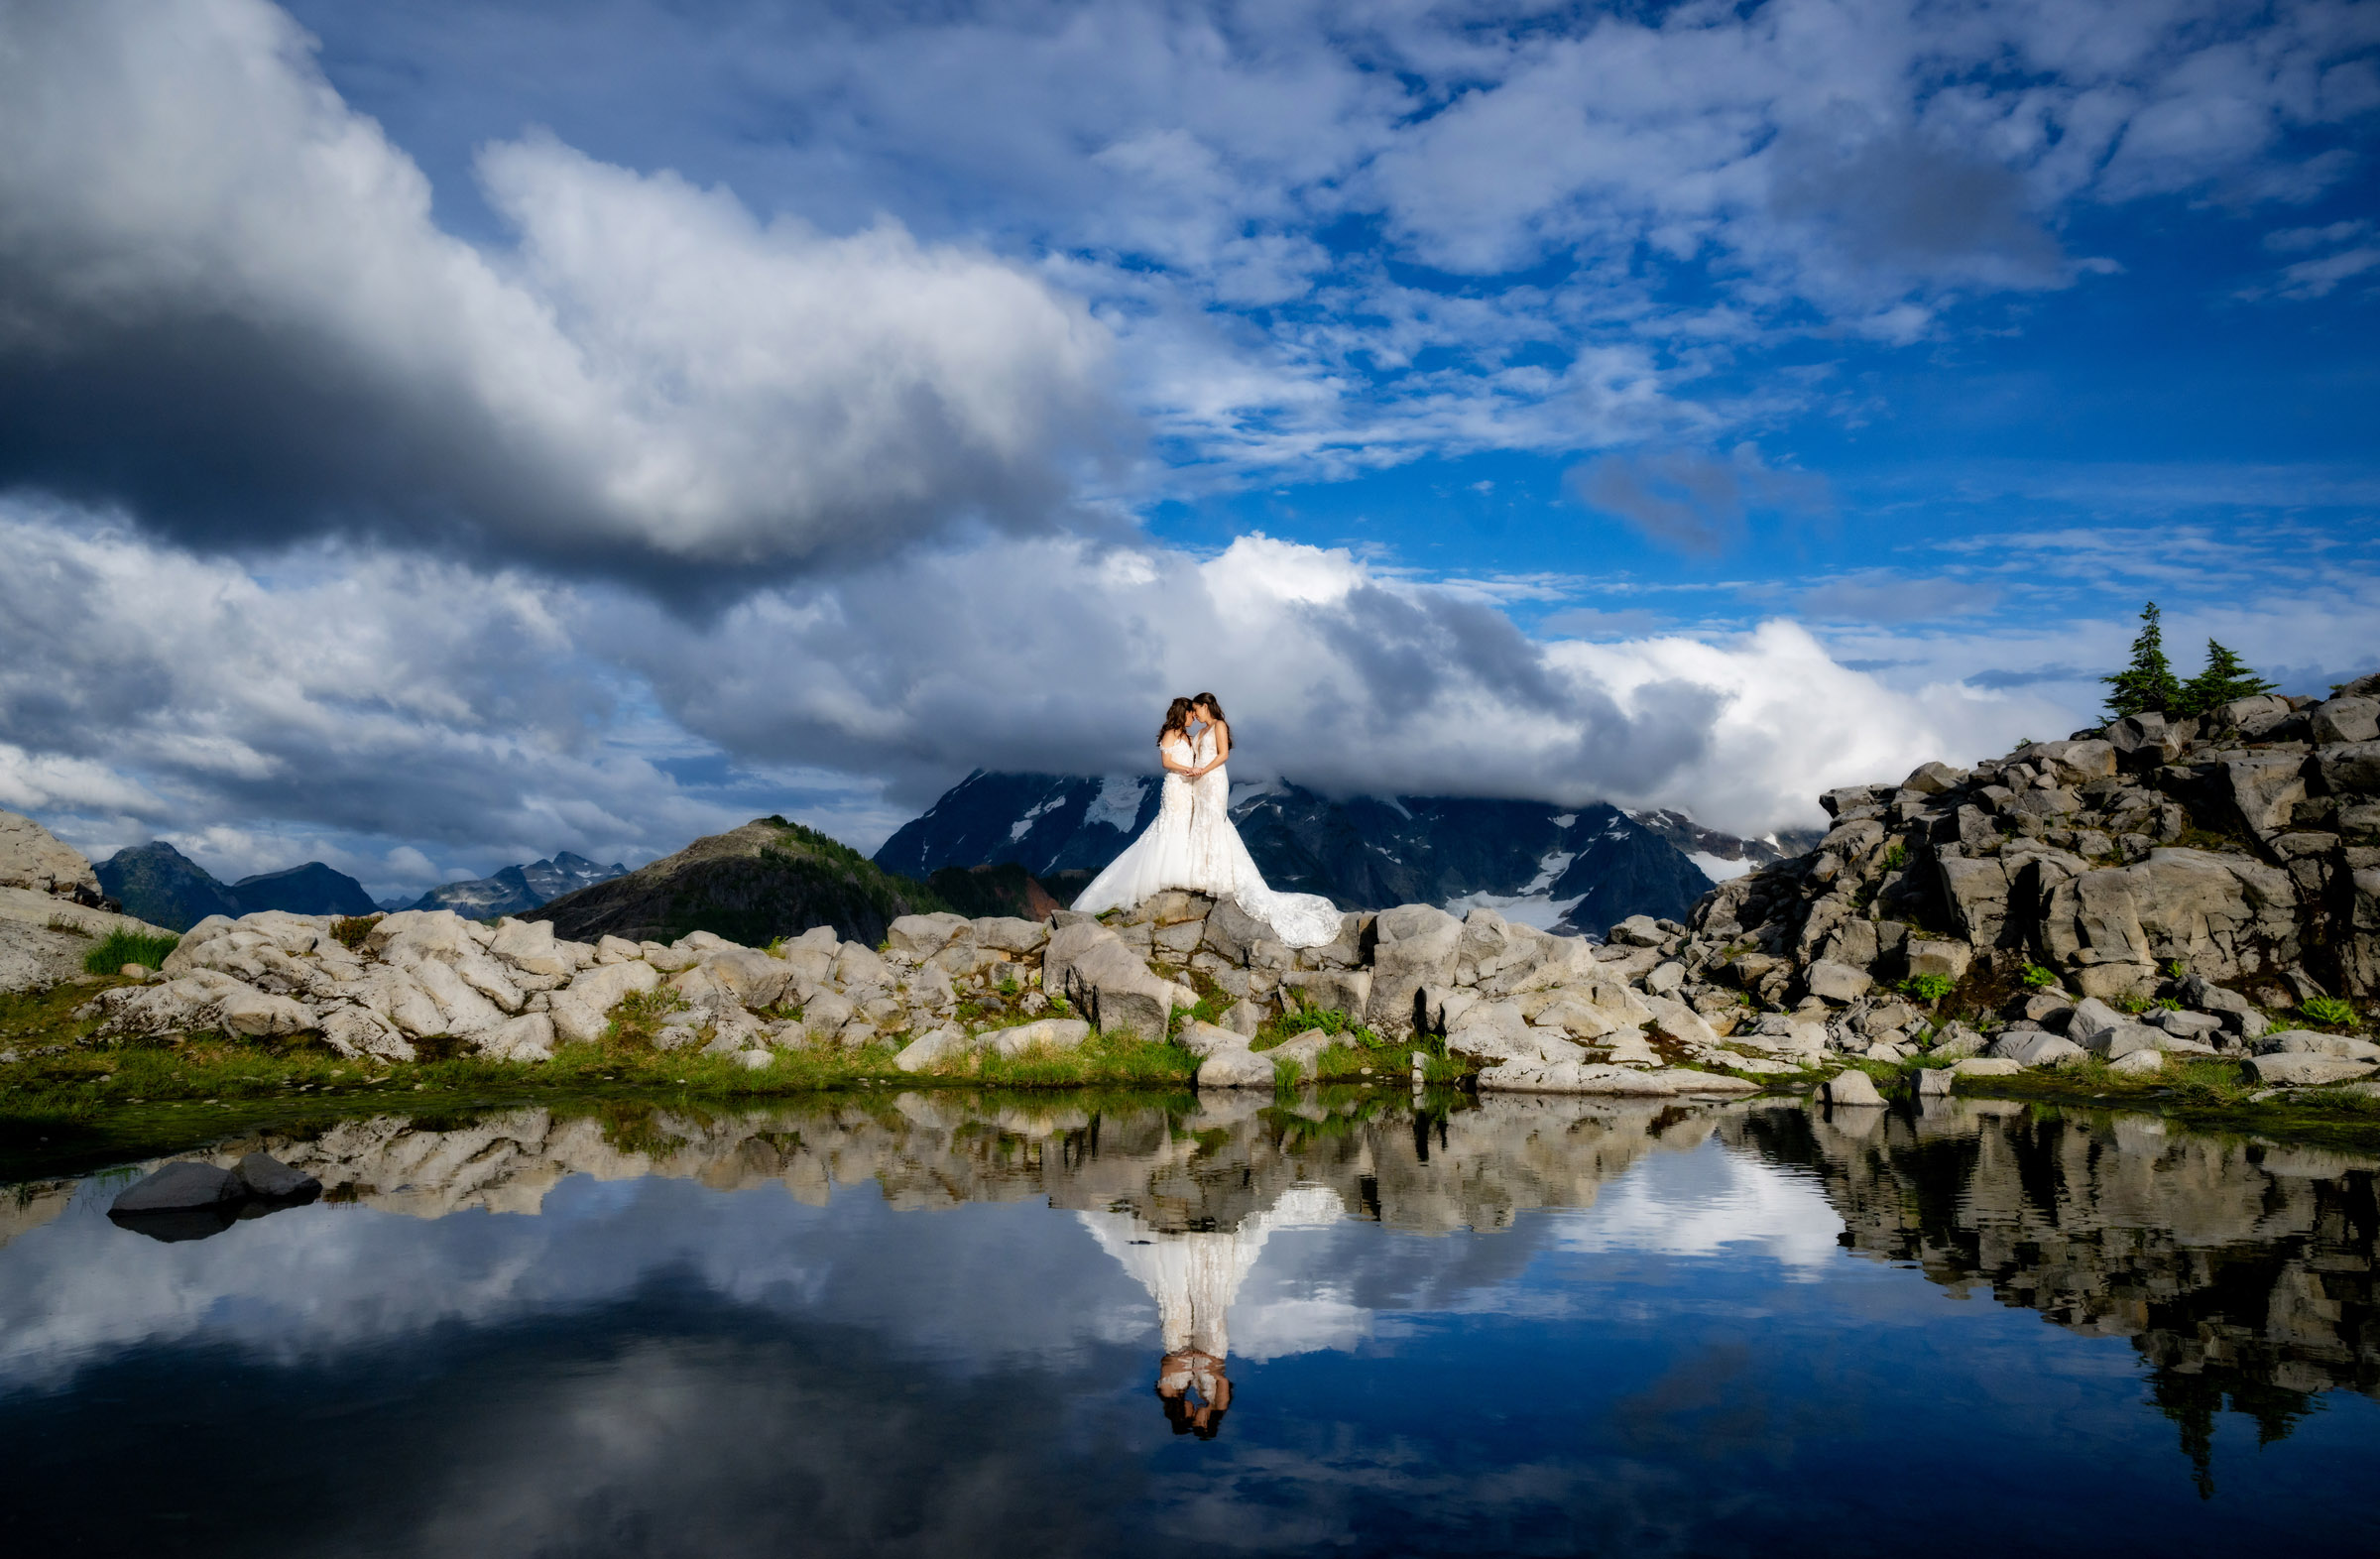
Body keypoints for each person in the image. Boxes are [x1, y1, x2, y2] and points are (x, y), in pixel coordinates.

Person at [1069, 692, 1343, 947]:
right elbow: (1170, 760)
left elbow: (1223, 755)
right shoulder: (1193, 733)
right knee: (1195, 825)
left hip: (1210, 780)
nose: (1195, 715)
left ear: (1205, 706)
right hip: (1192, 783)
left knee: (1213, 822)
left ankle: (1214, 871)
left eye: (1197, 710)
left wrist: (1201, 770)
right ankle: (1199, 869)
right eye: (1191, 712)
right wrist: (1194, 771)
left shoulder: (1218, 726)